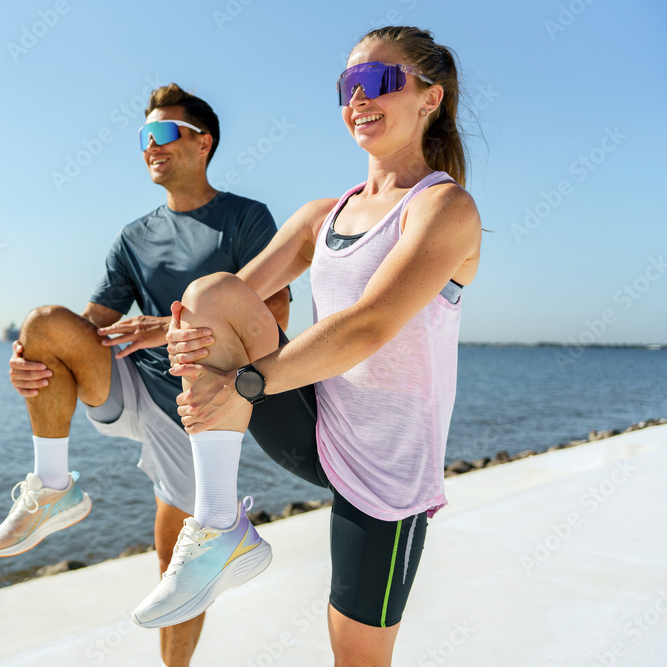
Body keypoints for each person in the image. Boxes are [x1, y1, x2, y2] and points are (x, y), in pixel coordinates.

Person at [132, 27, 482, 665]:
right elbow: (231, 298)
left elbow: (369, 325)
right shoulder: (324, 215)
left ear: (431, 98)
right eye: (348, 85)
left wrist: (241, 384)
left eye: (379, 82)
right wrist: (167, 330)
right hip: (313, 422)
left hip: (386, 468)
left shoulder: (444, 209)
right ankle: (217, 526)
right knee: (209, 294)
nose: (358, 98)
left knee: (355, 656)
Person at [0, 83, 290, 667]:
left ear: (203, 143)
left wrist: (165, 329)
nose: (151, 146)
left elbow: (274, 318)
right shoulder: (132, 236)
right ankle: (53, 488)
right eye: (144, 137)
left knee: (181, 571)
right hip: (130, 387)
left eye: (164, 133)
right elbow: (90, 326)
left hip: (197, 412)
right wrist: (30, 359)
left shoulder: (246, 219)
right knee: (44, 323)